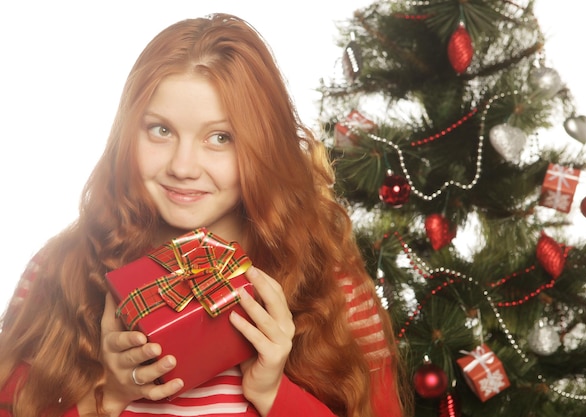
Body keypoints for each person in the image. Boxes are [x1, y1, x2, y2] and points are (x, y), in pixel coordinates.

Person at [0, 13, 410, 417]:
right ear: (128, 133)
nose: (183, 166)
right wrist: (110, 397)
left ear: (262, 146)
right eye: (160, 130)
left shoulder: (333, 288)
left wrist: (272, 393)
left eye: (220, 137)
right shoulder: (58, 270)